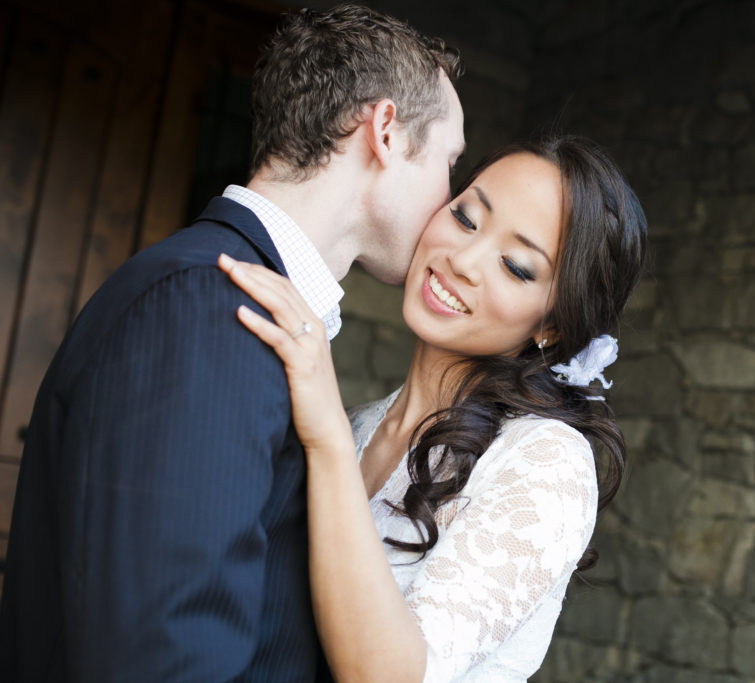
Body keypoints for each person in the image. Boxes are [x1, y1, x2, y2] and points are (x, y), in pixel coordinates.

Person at [0, 5, 464, 681]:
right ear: (385, 132)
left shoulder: (243, 304)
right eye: (451, 160)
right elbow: (164, 659)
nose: (451, 200)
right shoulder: (210, 308)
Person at [218, 135, 648, 682]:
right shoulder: (356, 426)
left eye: (516, 266)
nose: (462, 259)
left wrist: (323, 433)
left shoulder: (546, 461)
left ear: (553, 325)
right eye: (466, 218)